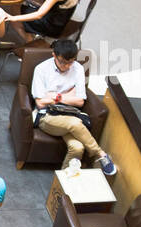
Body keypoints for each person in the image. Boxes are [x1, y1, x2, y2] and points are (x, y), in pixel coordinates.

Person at [29, 38, 117, 175]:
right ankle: (100, 154)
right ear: (54, 55)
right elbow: (40, 102)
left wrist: (55, 97)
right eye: (63, 62)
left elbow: (80, 101)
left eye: (71, 62)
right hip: (47, 116)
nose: (67, 66)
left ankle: (63, 182)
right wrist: (69, 95)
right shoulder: (41, 69)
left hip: (69, 114)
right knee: (76, 123)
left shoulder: (78, 68)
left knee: (78, 148)